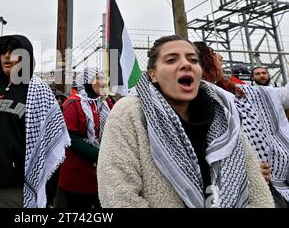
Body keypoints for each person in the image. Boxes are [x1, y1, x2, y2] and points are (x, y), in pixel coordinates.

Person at [97, 35, 273, 208]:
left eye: (193, 60)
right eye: (171, 60)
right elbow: (119, 195)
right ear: (153, 75)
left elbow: (258, 192)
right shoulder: (129, 113)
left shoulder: (223, 114)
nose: (186, 64)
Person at [0, 34, 70, 208]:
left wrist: (47, 192)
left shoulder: (40, 92)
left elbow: (50, 141)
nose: (9, 61)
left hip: (16, 191)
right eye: (5, 57)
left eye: (15, 56)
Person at [194, 41, 289, 208]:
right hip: (237, 187)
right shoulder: (199, 101)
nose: (221, 57)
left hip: (270, 180)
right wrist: (248, 169)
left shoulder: (239, 92)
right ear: (203, 61)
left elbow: (284, 96)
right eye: (213, 54)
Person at [58, 68, 112, 208]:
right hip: (77, 175)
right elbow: (71, 137)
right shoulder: (73, 103)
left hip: (100, 177)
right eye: (99, 78)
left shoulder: (105, 103)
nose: (103, 82)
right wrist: (98, 155)